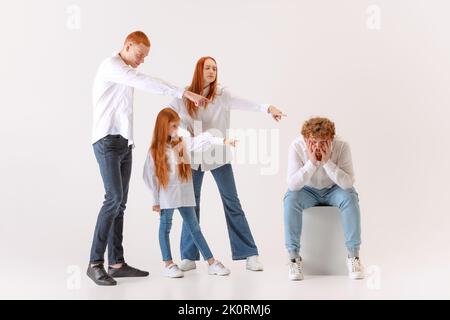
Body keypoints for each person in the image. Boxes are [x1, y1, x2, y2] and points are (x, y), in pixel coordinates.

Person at [87, 31, 208, 286]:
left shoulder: (126, 71)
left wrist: (129, 142)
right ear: (127, 46)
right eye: (139, 55)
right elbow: (145, 82)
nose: (141, 61)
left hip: (123, 143)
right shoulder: (111, 66)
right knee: (113, 198)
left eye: (145, 57)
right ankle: (95, 263)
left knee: (120, 204)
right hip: (106, 141)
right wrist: (183, 93)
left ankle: (116, 264)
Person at [169, 56, 285, 272]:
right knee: (190, 206)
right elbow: (168, 117)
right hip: (192, 157)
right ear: (198, 70)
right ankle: (188, 256)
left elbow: (248, 104)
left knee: (232, 202)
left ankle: (249, 253)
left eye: (215, 68)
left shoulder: (222, 95)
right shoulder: (184, 94)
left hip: (218, 155)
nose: (212, 71)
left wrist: (268, 108)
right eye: (207, 68)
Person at [143, 108, 235, 278]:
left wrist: (223, 140)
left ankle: (211, 262)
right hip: (166, 196)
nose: (176, 130)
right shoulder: (154, 151)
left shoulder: (181, 143)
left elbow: (202, 141)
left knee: (195, 228)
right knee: (165, 227)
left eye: (177, 126)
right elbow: (150, 177)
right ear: (163, 127)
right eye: (173, 126)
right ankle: (168, 264)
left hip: (185, 193)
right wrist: (155, 200)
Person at [284, 117, 364, 281]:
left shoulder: (342, 146)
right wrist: (311, 163)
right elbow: (292, 184)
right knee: (290, 199)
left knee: (350, 196)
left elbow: (348, 183)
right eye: (314, 142)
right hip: (307, 190)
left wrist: (327, 162)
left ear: (331, 139)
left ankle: (353, 257)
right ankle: (293, 258)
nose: (318, 147)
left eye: (324, 142)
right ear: (306, 139)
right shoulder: (296, 146)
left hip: (334, 189)